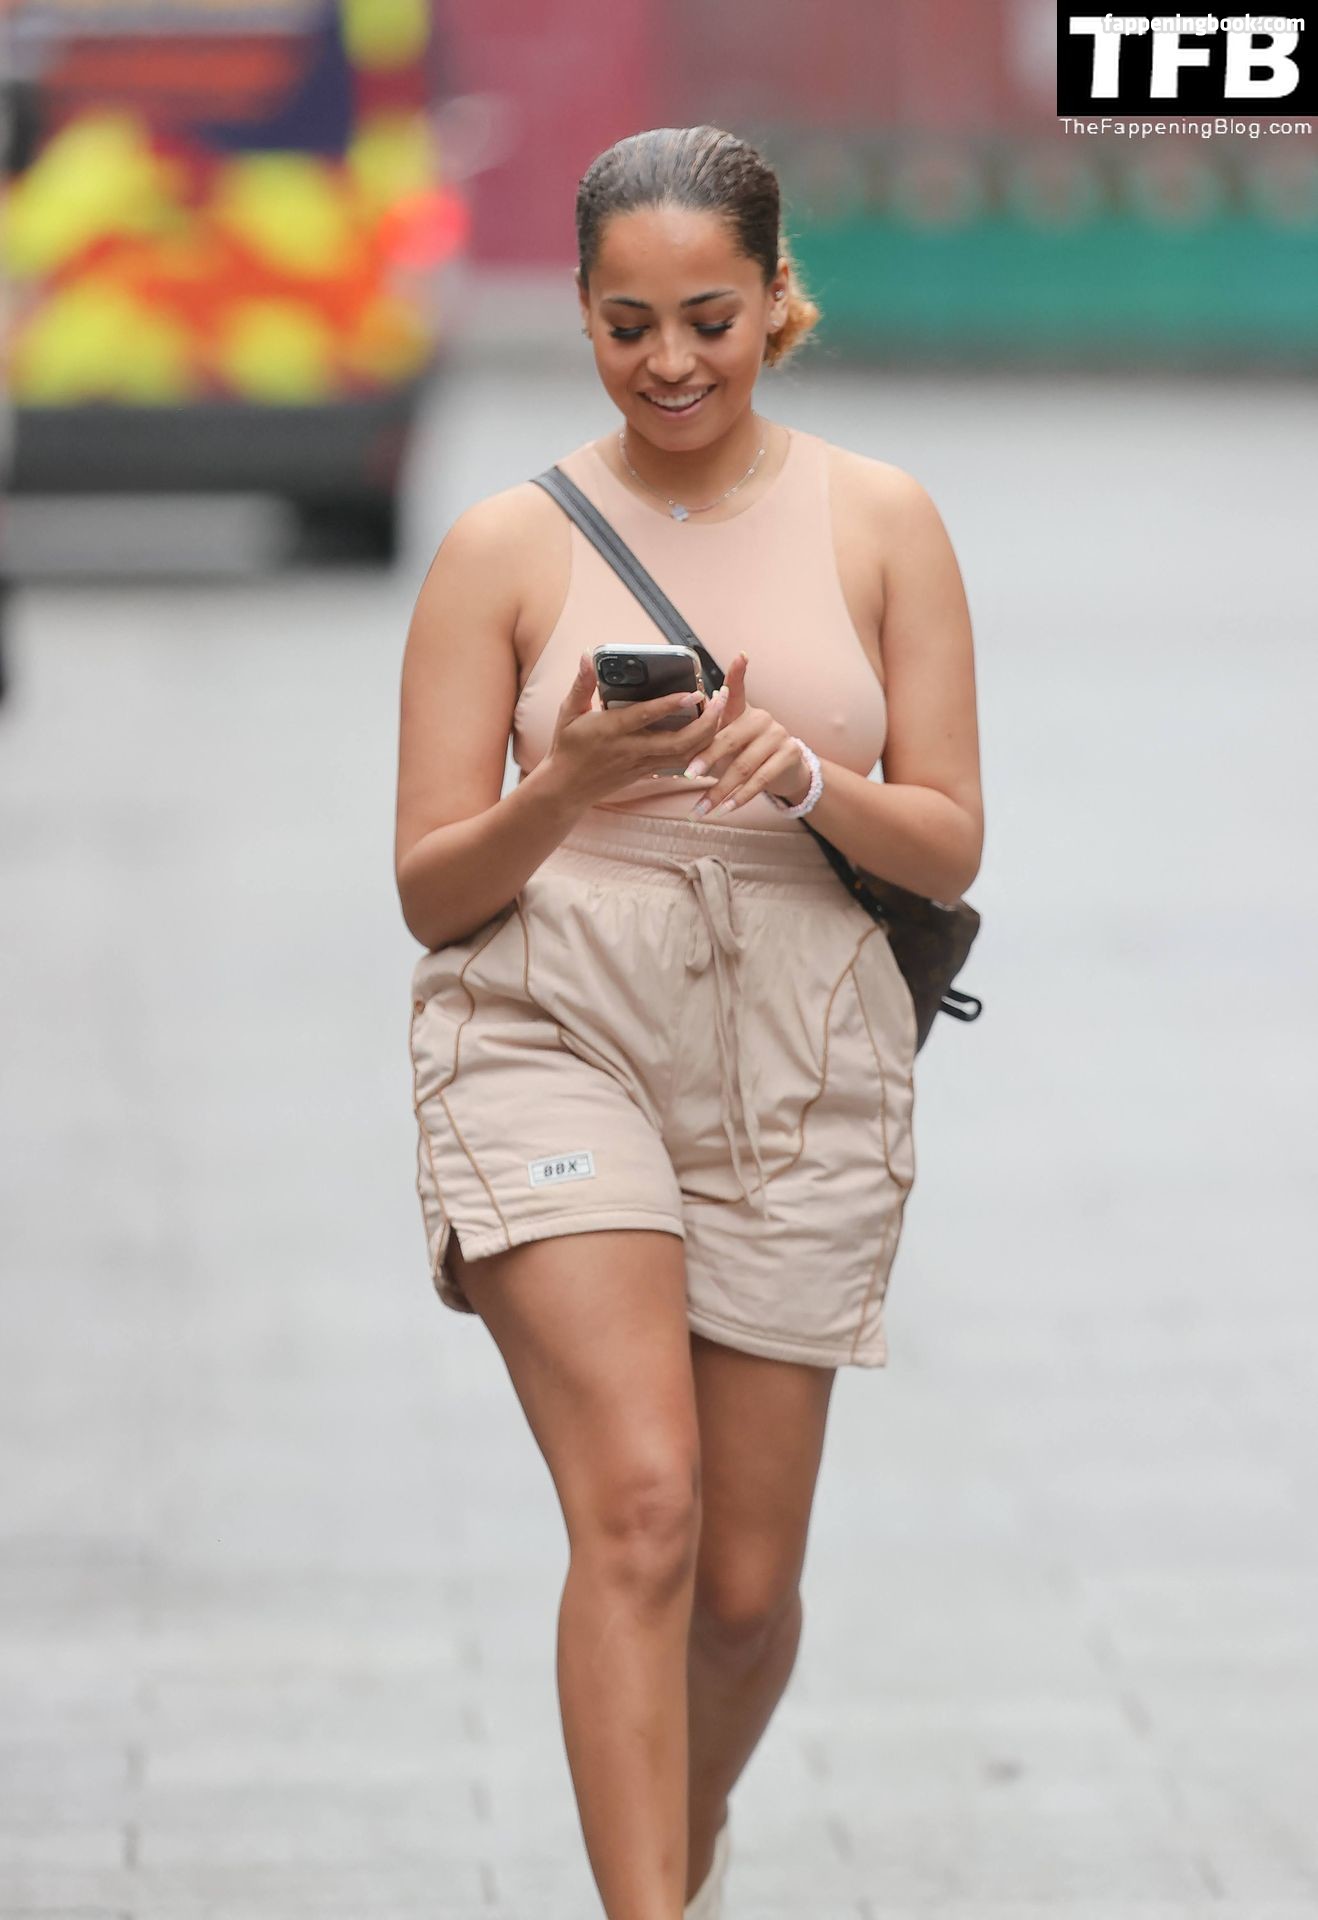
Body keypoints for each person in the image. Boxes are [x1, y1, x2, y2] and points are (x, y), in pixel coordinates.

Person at [395, 125, 983, 1920]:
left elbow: (949, 838)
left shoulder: (879, 520)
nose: (667, 364)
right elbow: (429, 886)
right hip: (549, 1025)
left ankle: (679, 1843)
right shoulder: (501, 550)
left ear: (774, 295)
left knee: (738, 1595)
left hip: (798, 1054)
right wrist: (565, 782)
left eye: (707, 320)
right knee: (642, 1508)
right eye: (625, 324)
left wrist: (803, 774)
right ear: (579, 311)